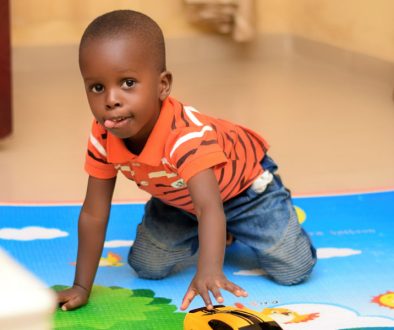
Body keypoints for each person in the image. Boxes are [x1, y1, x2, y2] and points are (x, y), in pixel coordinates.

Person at [56, 9, 316, 312]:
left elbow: (210, 207)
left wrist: (208, 271)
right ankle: (220, 232)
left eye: (127, 83)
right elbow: (93, 213)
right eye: (97, 87)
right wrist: (81, 286)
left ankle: (272, 221)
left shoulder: (185, 136)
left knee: (293, 269)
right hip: (181, 199)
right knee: (147, 265)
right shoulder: (103, 134)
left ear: (162, 85)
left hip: (246, 191)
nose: (110, 99)